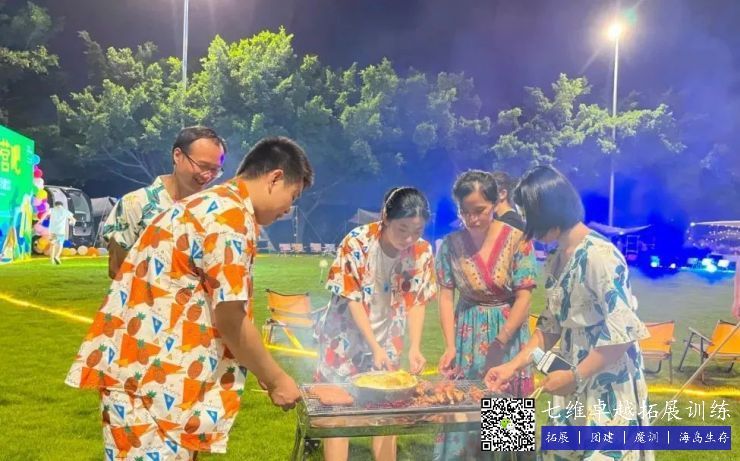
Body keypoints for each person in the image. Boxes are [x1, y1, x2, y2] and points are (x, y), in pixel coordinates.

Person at [65, 137, 313, 460]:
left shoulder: (215, 204)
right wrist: (276, 379)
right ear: (275, 178)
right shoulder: (229, 217)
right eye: (292, 196)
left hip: (153, 379)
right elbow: (230, 317)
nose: (288, 209)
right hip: (150, 384)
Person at [485, 165, 653, 461]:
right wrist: (512, 366)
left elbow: (623, 332)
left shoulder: (599, 255)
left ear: (548, 212)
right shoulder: (555, 258)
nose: (526, 225)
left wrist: (576, 376)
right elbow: (550, 326)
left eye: (529, 216)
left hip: (604, 379)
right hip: (571, 373)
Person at [314, 187, 438, 461]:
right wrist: (378, 346)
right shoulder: (358, 242)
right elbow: (352, 298)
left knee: (388, 414)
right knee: (340, 414)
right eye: (403, 229)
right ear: (385, 217)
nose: (409, 239)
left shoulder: (514, 237)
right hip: (346, 339)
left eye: (417, 231)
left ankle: (511, 453)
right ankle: (497, 451)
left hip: (502, 349)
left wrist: (415, 346)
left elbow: (418, 299)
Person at [433, 170, 537, 461]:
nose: (472, 219)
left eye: (479, 210)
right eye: (465, 212)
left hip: (507, 335)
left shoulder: (517, 239)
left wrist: (501, 341)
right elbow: (445, 296)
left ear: (495, 202)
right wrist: (450, 345)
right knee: (464, 416)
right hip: (467, 336)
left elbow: (525, 297)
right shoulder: (450, 245)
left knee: (506, 429)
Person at [102, 126, 226, 279]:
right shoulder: (135, 204)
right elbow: (117, 271)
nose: (208, 175)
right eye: (202, 166)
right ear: (177, 155)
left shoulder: (217, 211)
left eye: (215, 170)